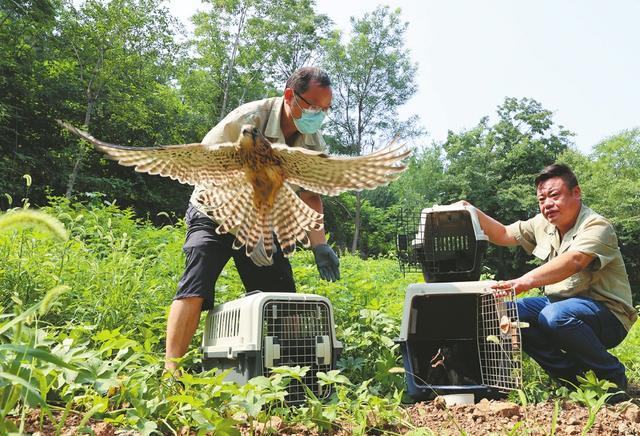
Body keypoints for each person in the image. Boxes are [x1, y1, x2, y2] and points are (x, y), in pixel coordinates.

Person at [165, 67, 341, 373]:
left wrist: (320, 246)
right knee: (197, 283)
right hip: (214, 209)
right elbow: (208, 166)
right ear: (290, 96)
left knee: (284, 299)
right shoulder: (248, 119)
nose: (319, 115)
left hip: (260, 224)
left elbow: (310, 194)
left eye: (325, 110)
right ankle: (171, 371)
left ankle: (293, 373)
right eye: (313, 107)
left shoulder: (312, 140)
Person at [457, 164, 636, 393]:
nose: (547, 204)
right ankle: (572, 378)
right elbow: (502, 234)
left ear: (576, 193)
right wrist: (470, 210)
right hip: (561, 306)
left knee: (555, 315)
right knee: (509, 312)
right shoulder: (543, 223)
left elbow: (575, 260)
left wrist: (523, 281)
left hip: (608, 315)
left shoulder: (597, 226)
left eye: (554, 195)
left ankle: (611, 376)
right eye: (541, 199)